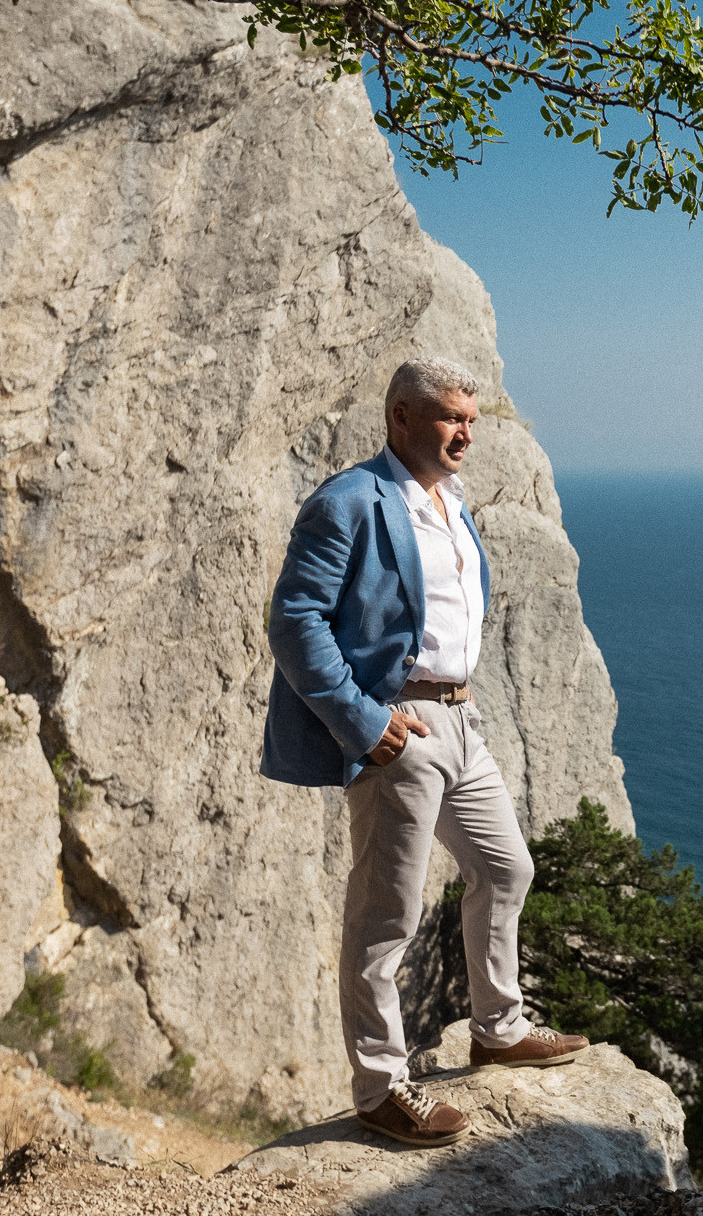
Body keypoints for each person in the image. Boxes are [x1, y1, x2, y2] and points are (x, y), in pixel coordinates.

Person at [260, 355, 587, 1146]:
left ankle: (498, 1027)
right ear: (401, 418)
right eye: (450, 417)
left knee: (507, 866)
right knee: (386, 914)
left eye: (472, 419)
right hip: (395, 726)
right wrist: (364, 721)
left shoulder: (452, 501)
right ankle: (380, 1085)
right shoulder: (348, 502)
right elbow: (294, 620)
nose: (466, 432)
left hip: (461, 720)